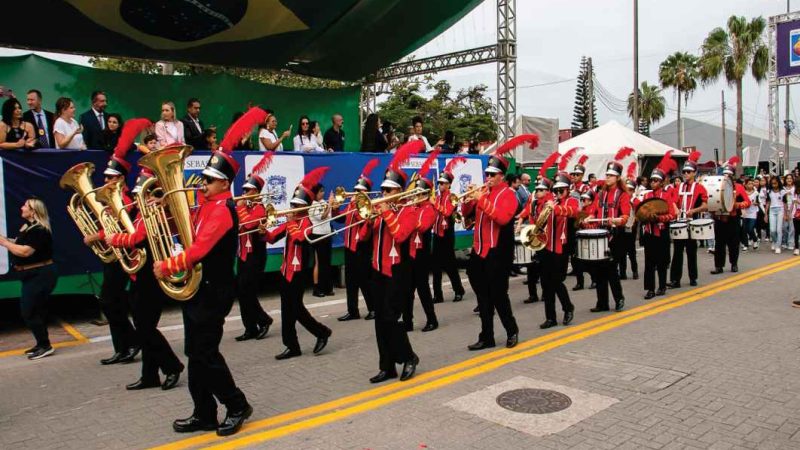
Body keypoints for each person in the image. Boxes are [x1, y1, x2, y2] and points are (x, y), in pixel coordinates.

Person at [153, 141, 252, 436]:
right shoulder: (207, 206)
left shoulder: (222, 211)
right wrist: (166, 212)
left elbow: (198, 249)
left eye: (208, 180)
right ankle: (204, 412)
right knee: (194, 354)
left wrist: (168, 267)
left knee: (206, 353)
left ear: (223, 182)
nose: (202, 183)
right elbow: (187, 231)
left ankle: (237, 405)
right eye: (204, 178)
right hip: (200, 288)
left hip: (213, 290)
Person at [103, 168, 185, 391]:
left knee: (145, 328)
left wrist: (115, 238)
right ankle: (149, 375)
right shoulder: (140, 215)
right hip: (141, 275)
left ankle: (172, 366)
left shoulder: (155, 214)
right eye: (139, 196)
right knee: (143, 325)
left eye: (144, 196)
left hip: (152, 276)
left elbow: (138, 238)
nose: (139, 201)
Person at [263, 168, 333, 360]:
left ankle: (317, 333)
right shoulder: (291, 222)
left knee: (293, 309)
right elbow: (271, 237)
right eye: (292, 203)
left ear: (304, 207)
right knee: (289, 309)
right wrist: (262, 232)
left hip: (299, 272)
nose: (292, 207)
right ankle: (297, 343)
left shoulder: (307, 223)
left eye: (296, 204)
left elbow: (299, 238)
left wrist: (291, 222)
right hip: (286, 270)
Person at [367, 142, 422, 383]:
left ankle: (409, 357)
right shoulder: (381, 210)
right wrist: (366, 218)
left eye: (389, 191)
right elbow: (367, 236)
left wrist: (386, 212)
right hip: (378, 268)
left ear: (399, 191)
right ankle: (387, 366)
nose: (384, 194)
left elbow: (400, 235)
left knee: (392, 318)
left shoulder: (409, 211)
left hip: (398, 270)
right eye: (383, 190)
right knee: (380, 321)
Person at [462, 141, 520, 351]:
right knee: (483, 298)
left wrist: (482, 201)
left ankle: (511, 330)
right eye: (487, 174)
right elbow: (467, 214)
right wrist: (469, 198)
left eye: (492, 175)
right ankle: (487, 336)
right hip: (479, 251)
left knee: (499, 295)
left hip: (497, 253)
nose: (488, 178)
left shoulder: (508, 196)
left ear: (502, 176)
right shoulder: (483, 193)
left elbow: (502, 218)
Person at [87, 151, 140, 365]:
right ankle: (121, 347)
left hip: (123, 256)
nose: (105, 181)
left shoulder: (125, 200)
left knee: (109, 301)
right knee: (113, 302)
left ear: (120, 179)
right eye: (106, 177)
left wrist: (96, 236)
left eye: (110, 177)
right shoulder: (111, 200)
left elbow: (118, 227)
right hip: (112, 256)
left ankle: (134, 340)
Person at [0, 198, 57, 360]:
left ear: (33, 211)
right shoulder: (29, 228)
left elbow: (25, 251)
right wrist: (5, 240)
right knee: (34, 310)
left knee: (29, 310)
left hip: (41, 274)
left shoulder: (39, 230)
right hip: (32, 275)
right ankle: (41, 343)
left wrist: (4, 243)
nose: (22, 207)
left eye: (25, 206)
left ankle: (45, 345)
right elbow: (18, 243)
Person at [583, 151, 631, 313]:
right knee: (599, 270)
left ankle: (619, 299)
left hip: (615, 237)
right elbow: (595, 211)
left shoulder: (623, 195)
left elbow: (625, 216)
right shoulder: (601, 194)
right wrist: (589, 218)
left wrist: (616, 220)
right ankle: (602, 303)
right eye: (607, 175)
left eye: (611, 175)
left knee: (611, 270)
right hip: (601, 235)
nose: (608, 177)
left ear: (617, 178)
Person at [334, 160, 378, 321]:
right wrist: (335, 207)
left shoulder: (368, 206)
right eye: (355, 190)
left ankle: (373, 308)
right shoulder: (352, 205)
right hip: (349, 246)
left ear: (366, 192)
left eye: (360, 191)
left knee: (365, 280)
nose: (355, 193)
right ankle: (352, 310)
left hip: (362, 246)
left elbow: (366, 222)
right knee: (351, 281)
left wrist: (361, 206)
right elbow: (339, 219)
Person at [234, 173, 274, 342]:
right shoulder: (246, 207)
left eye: (248, 190)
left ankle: (264, 320)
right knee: (242, 293)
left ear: (257, 192)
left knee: (248, 292)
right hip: (242, 254)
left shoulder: (260, 208)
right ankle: (250, 328)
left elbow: (248, 224)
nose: (244, 192)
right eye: (244, 189)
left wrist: (240, 207)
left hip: (255, 256)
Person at [405, 157, 439, 332]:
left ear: (426, 194)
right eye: (415, 193)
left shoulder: (429, 210)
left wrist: (406, 213)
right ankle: (407, 321)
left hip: (422, 254)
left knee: (422, 288)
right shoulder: (415, 207)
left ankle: (432, 320)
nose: (415, 196)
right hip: (410, 252)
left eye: (418, 193)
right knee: (407, 290)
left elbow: (420, 226)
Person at [638, 153, 678, 299]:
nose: (653, 183)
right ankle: (650, 289)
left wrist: (660, 218)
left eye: (656, 180)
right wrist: (644, 216)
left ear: (662, 182)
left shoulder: (667, 196)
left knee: (661, 262)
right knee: (649, 263)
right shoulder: (647, 196)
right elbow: (641, 212)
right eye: (651, 180)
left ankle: (661, 286)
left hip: (662, 233)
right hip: (649, 233)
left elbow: (673, 215)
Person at [667, 152, 708, 288]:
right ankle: (675, 280)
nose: (685, 174)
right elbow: (672, 201)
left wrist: (694, 211)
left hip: (692, 224)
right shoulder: (679, 187)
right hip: (679, 223)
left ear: (695, 173)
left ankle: (693, 278)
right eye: (684, 171)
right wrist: (675, 208)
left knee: (691, 252)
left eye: (688, 171)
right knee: (677, 252)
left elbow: (705, 205)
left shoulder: (700, 187)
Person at [431, 158, 466, 304]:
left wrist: (435, 205)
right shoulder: (437, 197)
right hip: (437, 233)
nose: (440, 185)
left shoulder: (452, 197)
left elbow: (447, 212)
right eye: (439, 183)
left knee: (450, 264)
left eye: (443, 183)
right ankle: (438, 295)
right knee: (435, 266)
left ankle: (459, 290)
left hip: (447, 234)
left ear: (449, 184)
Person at [711, 158, 751, 274]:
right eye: (724, 174)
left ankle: (734, 264)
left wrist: (737, 205)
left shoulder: (738, 187)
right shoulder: (717, 186)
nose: (726, 176)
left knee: (733, 243)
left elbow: (747, 202)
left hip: (733, 218)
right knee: (719, 244)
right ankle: (719, 266)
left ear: (732, 176)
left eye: (729, 174)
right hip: (720, 218)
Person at [308, 184, 334, 297]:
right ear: (315, 193)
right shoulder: (312, 205)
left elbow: (329, 217)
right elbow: (322, 217)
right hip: (317, 235)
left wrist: (332, 205)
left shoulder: (324, 202)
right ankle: (317, 288)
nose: (323, 193)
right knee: (318, 262)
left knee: (326, 262)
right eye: (320, 191)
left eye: (323, 191)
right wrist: (330, 205)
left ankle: (327, 287)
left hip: (327, 234)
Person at [618, 177, 639, 280]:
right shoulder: (621, 198)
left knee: (631, 251)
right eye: (627, 189)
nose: (628, 192)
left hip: (631, 228)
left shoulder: (635, 200)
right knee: (621, 251)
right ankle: (622, 273)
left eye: (630, 190)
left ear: (634, 191)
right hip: (622, 227)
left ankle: (635, 271)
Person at [765, 176, 786, 254]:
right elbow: (767, 203)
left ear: (778, 182)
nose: (774, 184)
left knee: (779, 230)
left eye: (775, 182)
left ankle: (778, 246)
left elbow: (785, 203)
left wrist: (786, 214)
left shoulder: (782, 191)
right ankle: (774, 241)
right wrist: (766, 214)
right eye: (772, 182)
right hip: (772, 211)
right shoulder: (769, 191)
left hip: (780, 210)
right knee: (772, 230)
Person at [740, 178, 759, 251]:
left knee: (750, 228)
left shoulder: (756, 193)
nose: (750, 185)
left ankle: (755, 239)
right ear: (745, 184)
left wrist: (754, 203)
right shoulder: (743, 192)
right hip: (744, 212)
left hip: (753, 213)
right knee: (744, 229)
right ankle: (746, 244)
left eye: (752, 183)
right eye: (749, 184)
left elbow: (758, 202)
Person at [782, 174, 796, 251]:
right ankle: (784, 242)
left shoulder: (795, 188)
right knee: (784, 227)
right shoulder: (782, 189)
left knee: (792, 228)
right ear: (785, 180)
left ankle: (790, 243)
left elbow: (794, 201)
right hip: (784, 209)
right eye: (787, 178)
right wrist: (785, 212)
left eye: (790, 178)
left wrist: (790, 212)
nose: (789, 180)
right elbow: (783, 201)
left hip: (793, 209)